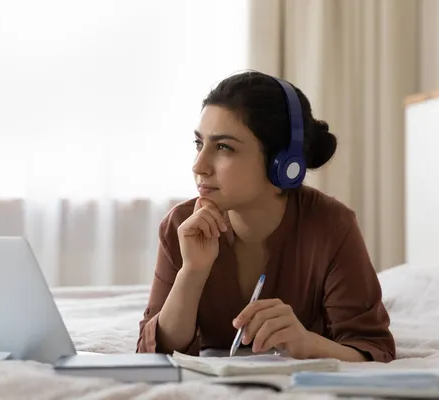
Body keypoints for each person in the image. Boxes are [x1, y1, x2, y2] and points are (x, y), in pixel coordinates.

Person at [136, 70, 395, 362]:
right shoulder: (181, 226)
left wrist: (307, 344)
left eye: (223, 147)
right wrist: (191, 273)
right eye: (199, 144)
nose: (199, 166)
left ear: (283, 164)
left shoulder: (332, 226)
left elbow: (373, 349)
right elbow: (155, 351)